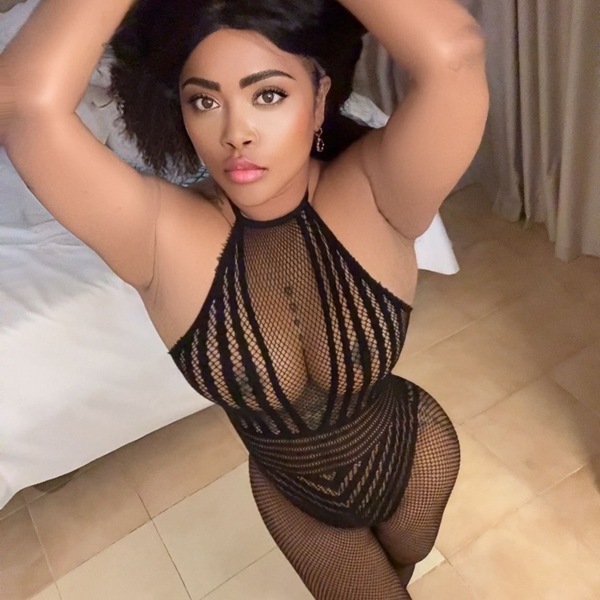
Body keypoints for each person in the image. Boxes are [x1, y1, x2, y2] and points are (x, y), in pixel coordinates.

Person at [0, 0, 489, 597]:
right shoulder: (157, 239)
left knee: (404, 566)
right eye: (204, 101)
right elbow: (24, 104)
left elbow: (453, 54)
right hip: (299, 501)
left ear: (319, 98)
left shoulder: (379, 192)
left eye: (268, 95)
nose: (236, 133)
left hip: (416, 454)